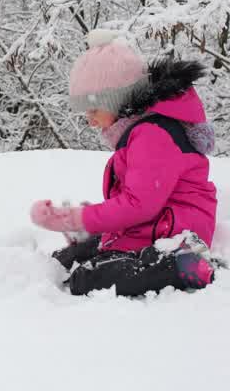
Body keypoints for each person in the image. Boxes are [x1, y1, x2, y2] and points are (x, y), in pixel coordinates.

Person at [29, 29, 219, 297]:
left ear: (117, 100)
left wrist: (77, 219)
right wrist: (80, 224)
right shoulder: (137, 132)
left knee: (87, 279)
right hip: (152, 223)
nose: (90, 120)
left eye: (94, 109)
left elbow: (137, 205)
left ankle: (182, 263)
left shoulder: (153, 135)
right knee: (66, 260)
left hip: (176, 231)